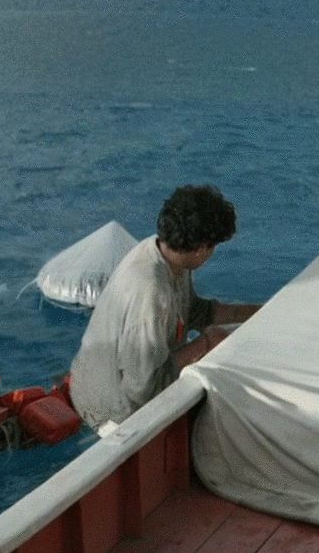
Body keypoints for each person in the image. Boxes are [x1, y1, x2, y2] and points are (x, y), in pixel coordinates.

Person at [66, 184, 256, 432]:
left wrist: (261, 312)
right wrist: (206, 343)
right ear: (201, 249)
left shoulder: (166, 253)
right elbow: (142, 389)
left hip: (120, 373)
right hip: (113, 409)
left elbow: (195, 312)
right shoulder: (151, 293)